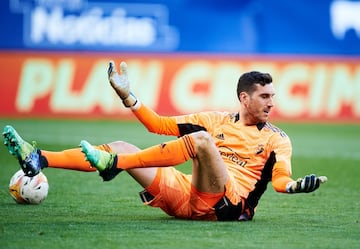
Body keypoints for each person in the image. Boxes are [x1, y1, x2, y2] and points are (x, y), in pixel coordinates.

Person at [3, 60, 327, 221]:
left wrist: (295, 186)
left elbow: (281, 179)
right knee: (121, 145)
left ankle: (116, 165)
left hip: (224, 207)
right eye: (265, 96)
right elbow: (157, 125)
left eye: (273, 96)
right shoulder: (215, 120)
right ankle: (40, 158)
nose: (272, 103)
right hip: (187, 193)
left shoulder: (277, 140)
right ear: (245, 98)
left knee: (200, 141)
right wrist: (127, 95)